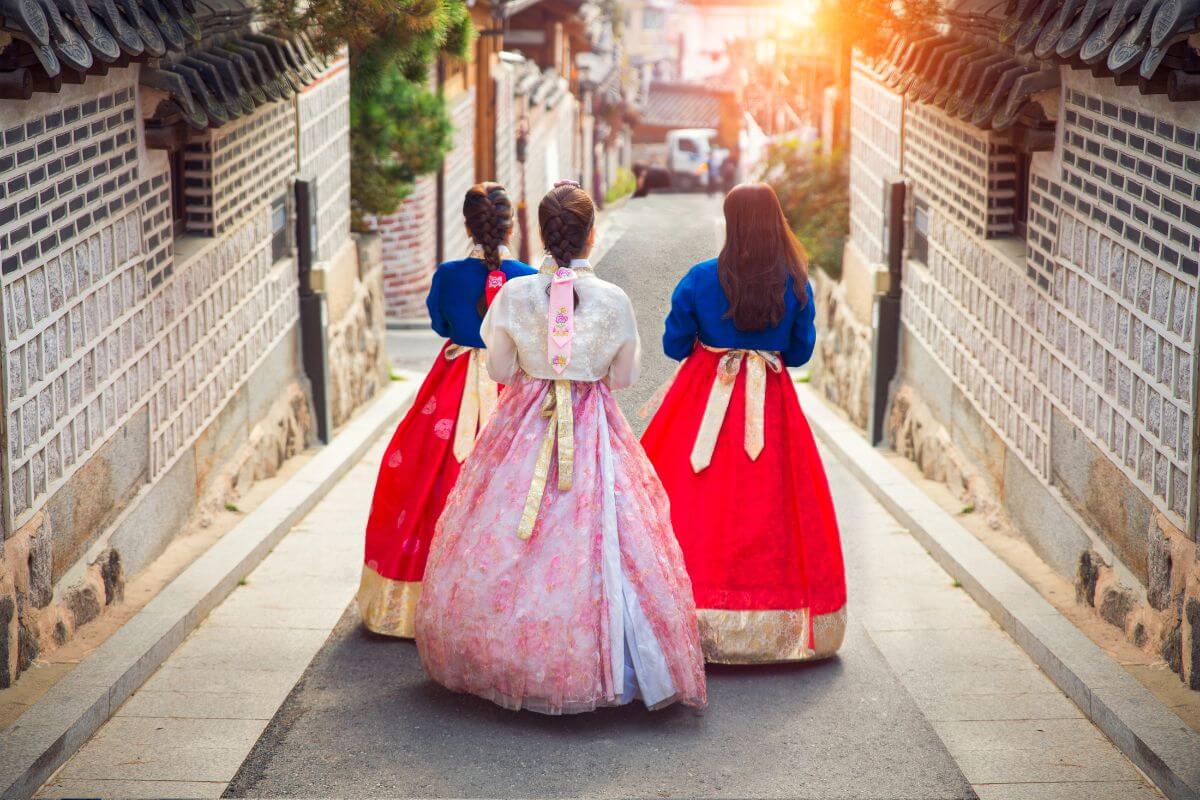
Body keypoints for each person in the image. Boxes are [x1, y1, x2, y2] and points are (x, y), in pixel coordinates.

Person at [415, 182, 707, 714]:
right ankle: (604, 657)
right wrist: (580, 368)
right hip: (591, 425)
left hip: (522, 423)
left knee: (507, 527)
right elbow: (623, 377)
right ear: (591, 235)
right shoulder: (613, 299)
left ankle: (503, 652)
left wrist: (540, 368)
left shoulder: (514, 295)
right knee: (606, 532)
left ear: (543, 234)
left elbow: (500, 369)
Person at [641, 182, 847, 664]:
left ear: (731, 224)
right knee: (773, 504)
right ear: (776, 222)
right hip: (771, 403)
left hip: (703, 399)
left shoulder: (700, 277)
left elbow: (674, 344)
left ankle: (687, 616)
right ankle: (775, 623)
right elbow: (799, 353)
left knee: (694, 501)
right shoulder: (796, 282)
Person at [357, 183, 536, 638]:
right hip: (510, 384)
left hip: (452, 386)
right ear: (510, 227)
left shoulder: (448, 274)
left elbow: (440, 324)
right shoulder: (529, 278)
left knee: (430, 477)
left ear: (467, 226)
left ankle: (413, 598)